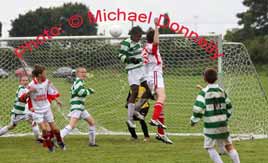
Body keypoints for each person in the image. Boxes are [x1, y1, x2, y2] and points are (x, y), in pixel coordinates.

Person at [191, 68, 240, 163]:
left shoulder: (203, 92)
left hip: (211, 126)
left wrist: (194, 120)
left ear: (204, 79)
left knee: (209, 147)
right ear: (217, 78)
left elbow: (198, 109)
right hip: (223, 123)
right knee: (229, 145)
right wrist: (225, 118)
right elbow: (229, 107)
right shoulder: (222, 91)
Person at [142, 18, 171, 139]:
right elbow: (156, 43)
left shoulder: (146, 48)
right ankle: (154, 119)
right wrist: (156, 26)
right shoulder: (150, 46)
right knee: (162, 97)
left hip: (153, 75)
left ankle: (161, 133)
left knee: (160, 103)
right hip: (154, 75)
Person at [118, 26, 151, 129]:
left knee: (149, 91)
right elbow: (120, 56)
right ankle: (130, 119)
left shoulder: (138, 42)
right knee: (135, 91)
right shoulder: (126, 43)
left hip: (141, 69)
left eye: (141, 36)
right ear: (133, 34)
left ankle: (135, 110)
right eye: (138, 36)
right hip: (132, 70)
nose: (140, 37)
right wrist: (130, 59)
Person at [28, 64, 65, 152]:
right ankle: (49, 146)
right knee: (44, 129)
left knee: (55, 129)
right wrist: (30, 91)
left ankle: (60, 141)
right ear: (40, 74)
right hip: (37, 111)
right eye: (45, 73)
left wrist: (57, 100)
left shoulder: (46, 82)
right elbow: (25, 97)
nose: (46, 74)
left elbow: (50, 92)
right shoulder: (32, 84)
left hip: (47, 108)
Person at [60, 67, 97, 147]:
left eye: (85, 72)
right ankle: (59, 136)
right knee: (72, 125)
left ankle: (92, 143)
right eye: (82, 72)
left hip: (81, 107)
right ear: (77, 73)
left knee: (92, 123)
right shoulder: (79, 81)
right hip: (77, 107)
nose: (84, 74)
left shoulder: (79, 81)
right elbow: (80, 92)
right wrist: (89, 91)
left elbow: (77, 91)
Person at [0, 76, 42, 143]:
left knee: (33, 122)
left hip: (26, 112)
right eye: (23, 80)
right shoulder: (21, 89)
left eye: (26, 80)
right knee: (11, 126)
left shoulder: (27, 88)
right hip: (18, 112)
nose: (25, 82)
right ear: (20, 82)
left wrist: (35, 89)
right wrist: (30, 91)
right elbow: (22, 99)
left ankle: (39, 139)